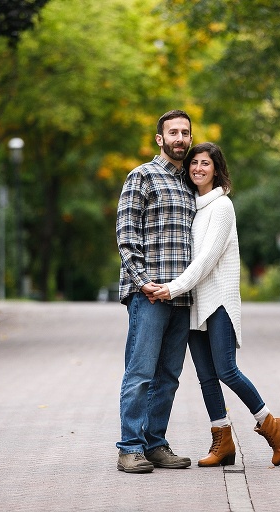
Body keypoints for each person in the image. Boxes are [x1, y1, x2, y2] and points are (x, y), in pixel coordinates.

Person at [152, 142, 280, 467]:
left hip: (217, 300)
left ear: (216, 169)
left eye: (205, 163)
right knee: (206, 377)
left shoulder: (222, 207)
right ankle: (223, 442)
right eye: (194, 164)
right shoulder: (194, 206)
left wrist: (172, 289)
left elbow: (205, 261)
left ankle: (273, 426)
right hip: (193, 302)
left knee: (227, 370)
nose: (198, 168)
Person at [115, 110, 196, 474]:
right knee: (140, 373)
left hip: (181, 297)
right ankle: (129, 447)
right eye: (173, 133)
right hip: (148, 295)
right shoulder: (141, 176)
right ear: (160, 139)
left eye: (185, 132)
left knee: (168, 377)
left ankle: (155, 444)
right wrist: (142, 281)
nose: (180, 138)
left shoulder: (192, 184)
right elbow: (126, 234)